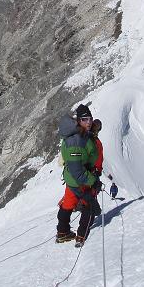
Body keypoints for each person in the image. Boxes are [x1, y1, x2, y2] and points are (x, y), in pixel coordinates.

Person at [56, 104, 101, 247]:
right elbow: (78, 171)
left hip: (71, 179)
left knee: (68, 203)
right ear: (78, 121)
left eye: (90, 119)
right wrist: (92, 180)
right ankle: (81, 235)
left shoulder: (78, 135)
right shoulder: (76, 141)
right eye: (84, 119)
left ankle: (62, 232)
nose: (88, 122)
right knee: (89, 206)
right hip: (80, 180)